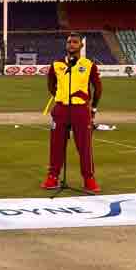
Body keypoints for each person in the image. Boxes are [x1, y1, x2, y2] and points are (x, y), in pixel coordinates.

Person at [41, 32, 103, 193]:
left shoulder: (89, 64)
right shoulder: (56, 65)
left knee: (84, 146)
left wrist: (93, 108)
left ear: (81, 46)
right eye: (69, 42)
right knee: (56, 145)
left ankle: (89, 179)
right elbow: (50, 85)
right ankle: (53, 177)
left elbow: (98, 88)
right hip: (61, 109)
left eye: (75, 42)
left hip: (81, 109)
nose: (71, 44)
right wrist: (60, 98)